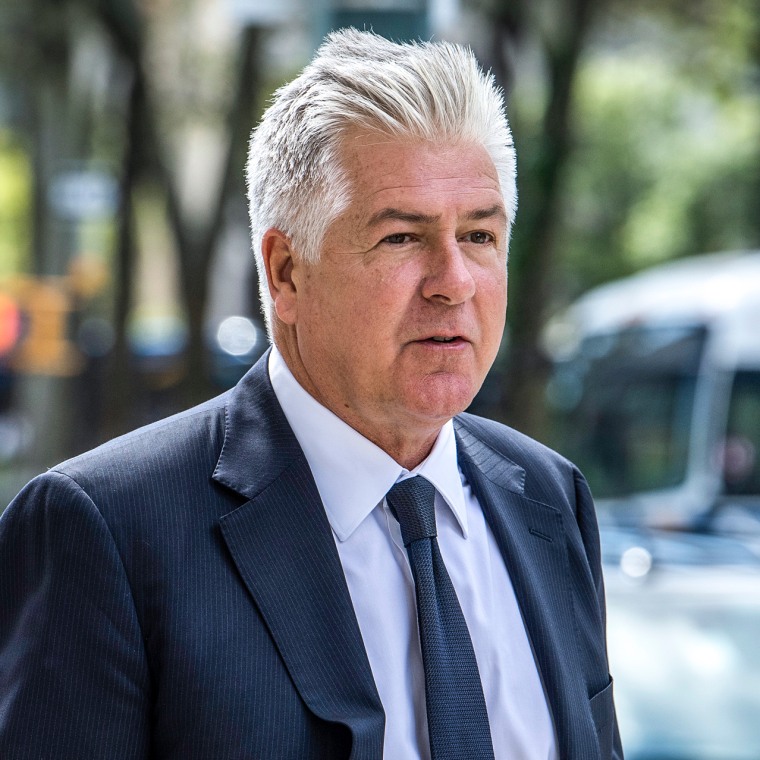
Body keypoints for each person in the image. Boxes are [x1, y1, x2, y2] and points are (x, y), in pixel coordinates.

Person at [0, 28, 623, 760]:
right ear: (287, 272)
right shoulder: (105, 528)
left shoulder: (550, 500)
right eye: (401, 238)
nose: (454, 281)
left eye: (480, 237)